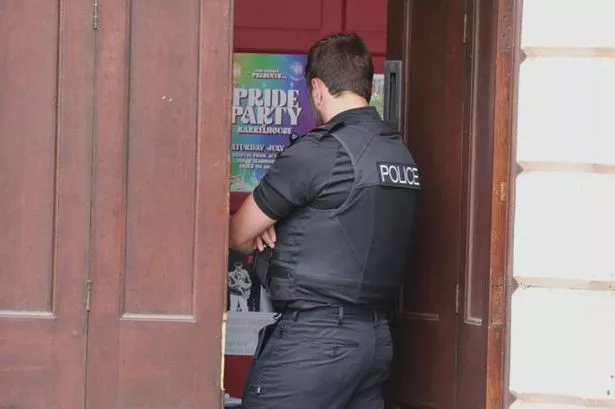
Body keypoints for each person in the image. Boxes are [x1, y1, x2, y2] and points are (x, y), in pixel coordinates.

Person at [229, 32, 421, 409]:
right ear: (366, 86)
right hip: (374, 340)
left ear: (317, 88)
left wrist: (269, 222)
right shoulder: (401, 156)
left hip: (316, 342)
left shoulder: (319, 153)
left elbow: (238, 234)